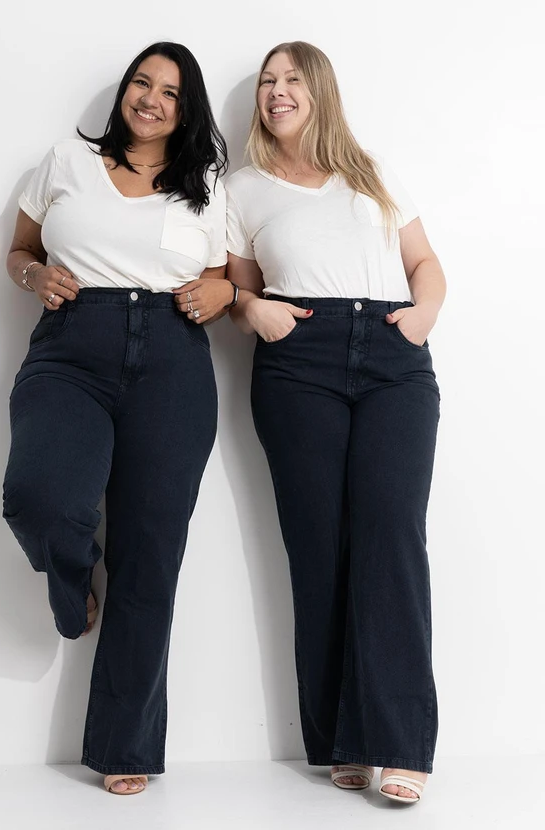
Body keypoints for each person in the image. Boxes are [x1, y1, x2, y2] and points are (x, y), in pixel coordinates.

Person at [2, 42, 236, 795]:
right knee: (38, 498)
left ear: (186, 109)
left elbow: (223, 277)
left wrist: (224, 294)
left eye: (171, 92)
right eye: (143, 82)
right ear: (125, 90)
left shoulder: (205, 182)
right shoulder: (66, 161)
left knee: (150, 554)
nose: (152, 99)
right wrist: (35, 275)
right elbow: (20, 249)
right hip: (72, 345)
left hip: (172, 359)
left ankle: (124, 747)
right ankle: (73, 587)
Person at [226, 41, 445, 805]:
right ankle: (341, 740)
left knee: (391, 534)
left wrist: (420, 317)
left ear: (319, 90)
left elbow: (425, 263)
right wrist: (254, 311)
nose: (277, 92)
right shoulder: (242, 188)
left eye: (292, 79)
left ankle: (400, 744)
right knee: (318, 545)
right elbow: (238, 289)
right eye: (267, 82)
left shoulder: (370, 172)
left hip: (392, 356)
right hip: (299, 362)